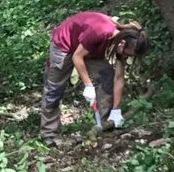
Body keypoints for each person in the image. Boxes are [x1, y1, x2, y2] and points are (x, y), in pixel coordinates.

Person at [40, 13, 151, 144]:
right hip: (65, 45)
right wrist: (88, 85)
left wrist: (116, 110)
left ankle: (106, 124)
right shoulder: (99, 32)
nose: (127, 57)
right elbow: (77, 57)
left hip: (91, 49)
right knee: (54, 89)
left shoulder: (124, 43)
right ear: (122, 43)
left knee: (107, 77)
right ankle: (49, 134)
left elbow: (119, 78)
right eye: (127, 54)